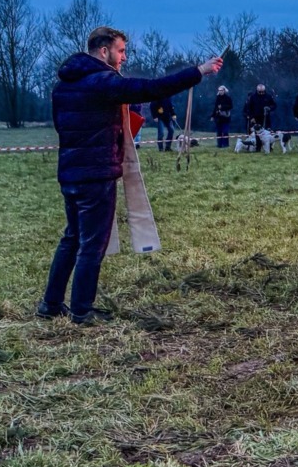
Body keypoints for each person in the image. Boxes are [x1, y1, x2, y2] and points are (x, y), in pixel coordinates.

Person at [39, 26, 222, 326]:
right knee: (93, 243)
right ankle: (82, 310)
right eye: (121, 51)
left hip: (70, 172)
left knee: (72, 237)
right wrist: (199, 71)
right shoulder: (103, 82)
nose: (124, 57)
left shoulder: (63, 87)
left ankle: (51, 303)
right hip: (96, 174)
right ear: (103, 51)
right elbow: (153, 88)